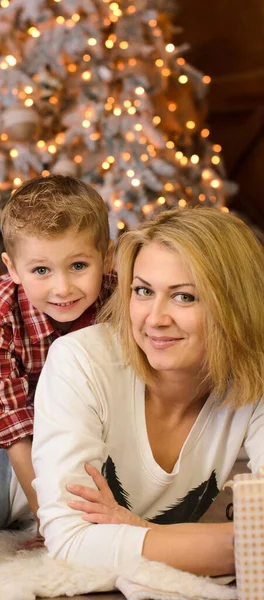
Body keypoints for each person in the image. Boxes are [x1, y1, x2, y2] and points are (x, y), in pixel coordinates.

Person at [32, 206, 264, 576]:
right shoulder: (82, 360)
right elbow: (70, 543)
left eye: (184, 297)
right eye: (143, 291)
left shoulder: (254, 376)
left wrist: (142, 531)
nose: (155, 318)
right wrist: (244, 543)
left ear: (234, 304)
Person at [0, 174, 115, 532]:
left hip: (73, 399)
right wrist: (46, 516)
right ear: (13, 268)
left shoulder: (118, 297)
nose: (62, 288)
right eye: (41, 270)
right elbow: (8, 418)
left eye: (78, 266)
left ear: (107, 257)